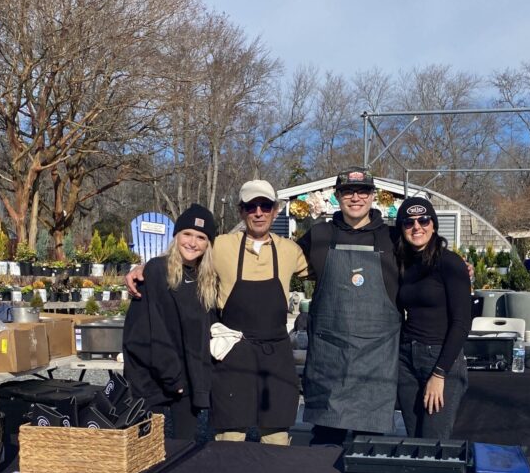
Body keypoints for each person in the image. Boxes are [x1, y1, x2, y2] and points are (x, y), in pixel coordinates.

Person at [297, 167, 402, 445]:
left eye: (363, 191)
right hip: (329, 362)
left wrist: (459, 268)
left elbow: (429, 264)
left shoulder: (393, 238)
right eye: (348, 192)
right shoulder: (318, 235)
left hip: (376, 366)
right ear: (337, 196)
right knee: (324, 450)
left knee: (369, 453)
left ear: (373, 196)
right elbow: (278, 264)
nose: (356, 197)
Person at [209, 180, 308, 445]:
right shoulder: (220, 246)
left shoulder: (290, 250)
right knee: (230, 436)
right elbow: (180, 255)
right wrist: (141, 271)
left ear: (275, 210)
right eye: (251, 206)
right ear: (241, 212)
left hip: (276, 355)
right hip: (234, 355)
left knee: (276, 438)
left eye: (265, 205)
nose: (259, 212)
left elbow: (328, 270)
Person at [122, 204, 218, 443]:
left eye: (201, 237)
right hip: (152, 378)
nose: (192, 242)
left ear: (208, 244)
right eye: (187, 234)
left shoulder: (206, 282)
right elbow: (147, 331)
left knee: (183, 448)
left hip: (186, 382)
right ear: (176, 236)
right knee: (146, 450)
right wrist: (171, 376)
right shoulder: (155, 270)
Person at [394, 196, 472, 439]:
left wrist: (440, 374)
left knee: (433, 442)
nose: (417, 226)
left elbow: (462, 323)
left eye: (424, 220)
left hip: (439, 358)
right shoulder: (404, 262)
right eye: (408, 222)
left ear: (434, 225)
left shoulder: (450, 264)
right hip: (406, 359)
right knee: (415, 439)